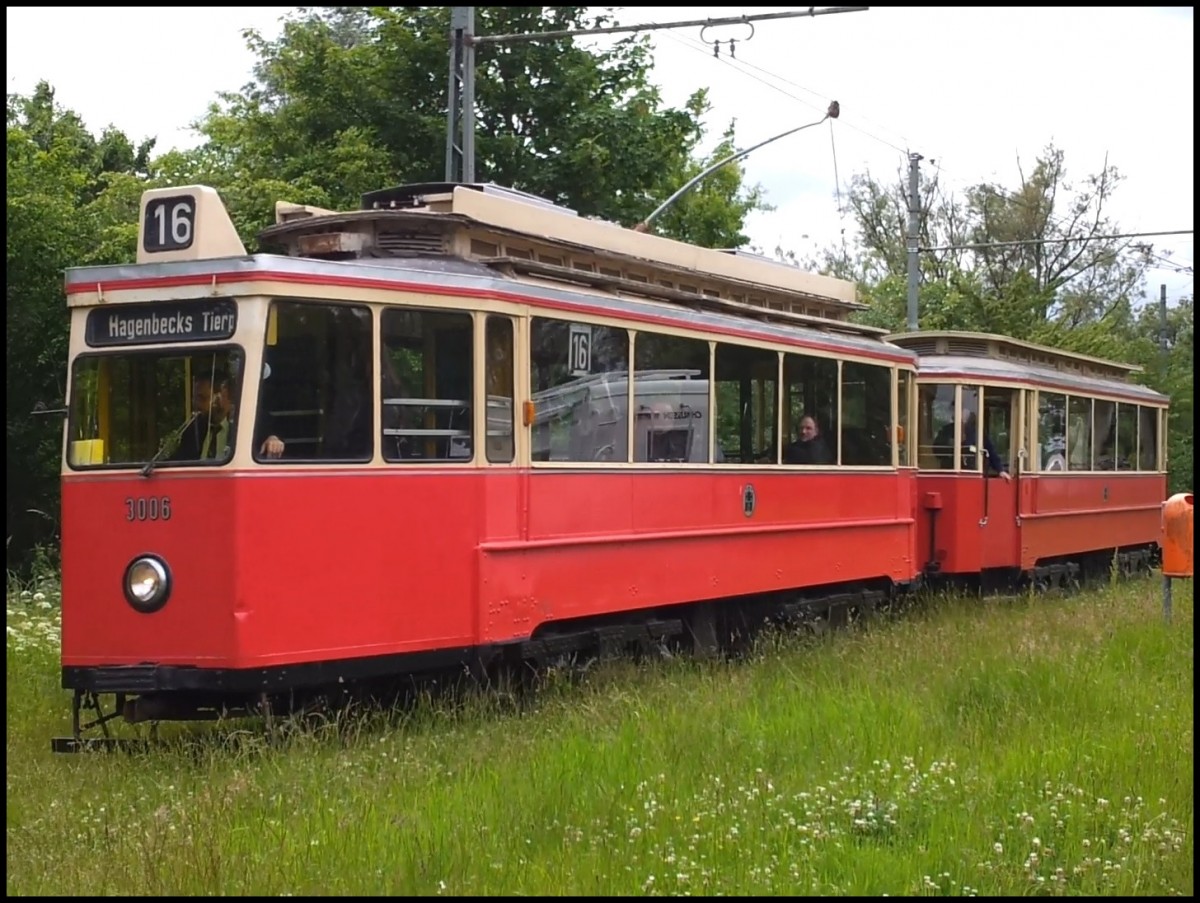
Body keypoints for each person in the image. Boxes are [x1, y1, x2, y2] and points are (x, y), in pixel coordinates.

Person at [935, 410, 1011, 481]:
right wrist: (951, 449)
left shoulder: (977, 432)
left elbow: (990, 450)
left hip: (972, 473)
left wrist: (1000, 470)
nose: (961, 418)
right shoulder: (945, 431)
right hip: (949, 473)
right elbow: (937, 450)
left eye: (963, 413)